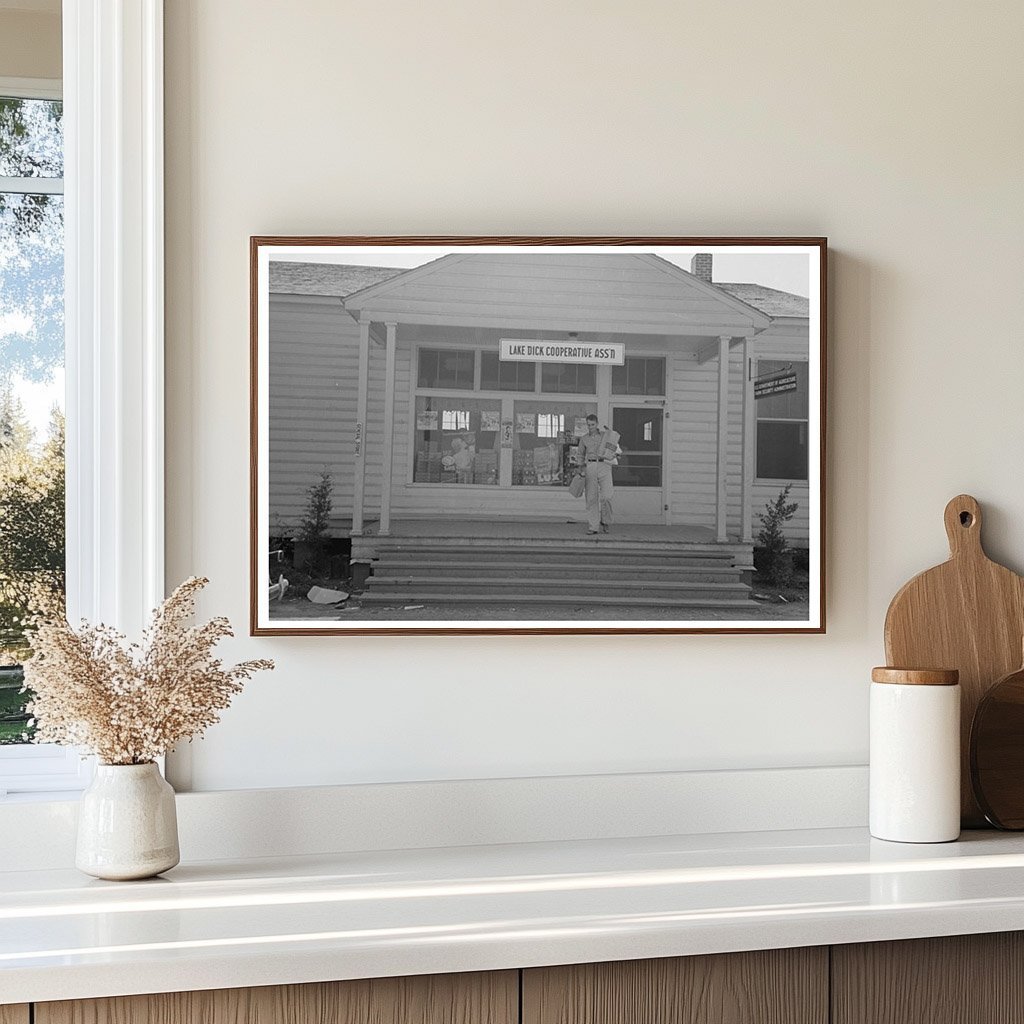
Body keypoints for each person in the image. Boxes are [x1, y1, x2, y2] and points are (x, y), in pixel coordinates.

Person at [576, 414, 615, 534]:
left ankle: (606, 521)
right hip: (591, 465)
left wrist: (611, 434)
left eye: (592, 424)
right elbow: (580, 454)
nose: (590, 427)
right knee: (591, 497)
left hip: (604, 465)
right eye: (588, 425)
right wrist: (581, 468)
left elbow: (614, 447)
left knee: (607, 496)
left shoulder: (604, 435)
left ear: (597, 424)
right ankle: (593, 526)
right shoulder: (584, 438)